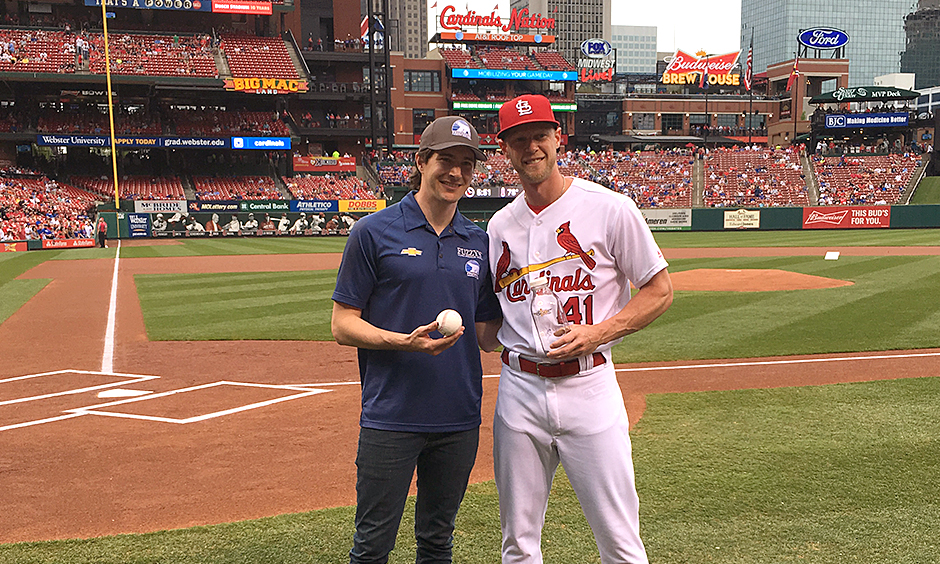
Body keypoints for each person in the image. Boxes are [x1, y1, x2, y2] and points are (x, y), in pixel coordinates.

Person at [486, 94, 674, 564]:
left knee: (620, 542)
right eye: (518, 139)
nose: (530, 147)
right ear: (504, 150)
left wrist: (599, 333)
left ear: (558, 139)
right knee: (517, 544)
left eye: (539, 136)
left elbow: (660, 290)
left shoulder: (610, 208)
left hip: (589, 385)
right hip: (518, 391)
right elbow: (489, 322)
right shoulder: (498, 227)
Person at [331, 115, 502, 564]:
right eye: (446, 160)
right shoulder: (373, 232)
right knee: (372, 547)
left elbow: (487, 336)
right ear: (422, 161)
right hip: (391, 416)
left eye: (467, 164)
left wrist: (540, 313)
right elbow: (342, 324)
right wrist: (402, 342)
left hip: (458, 417)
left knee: (436, 541)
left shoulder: (478, 241)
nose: (456, 173)